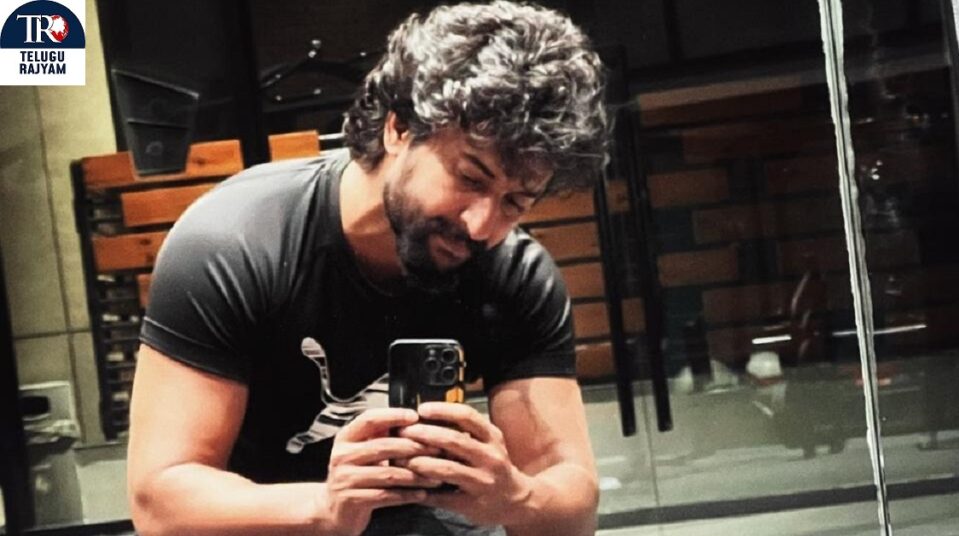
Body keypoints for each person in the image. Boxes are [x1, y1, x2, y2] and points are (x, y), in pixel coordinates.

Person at [126, 1, 611, 535]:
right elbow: (160, 504)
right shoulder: (234, 242)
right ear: (398, 128)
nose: (481, 226)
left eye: (516, 202)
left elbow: (574, 506)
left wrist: (516, 497)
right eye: (470, 179)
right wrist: (327, 508)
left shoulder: (516, 273)